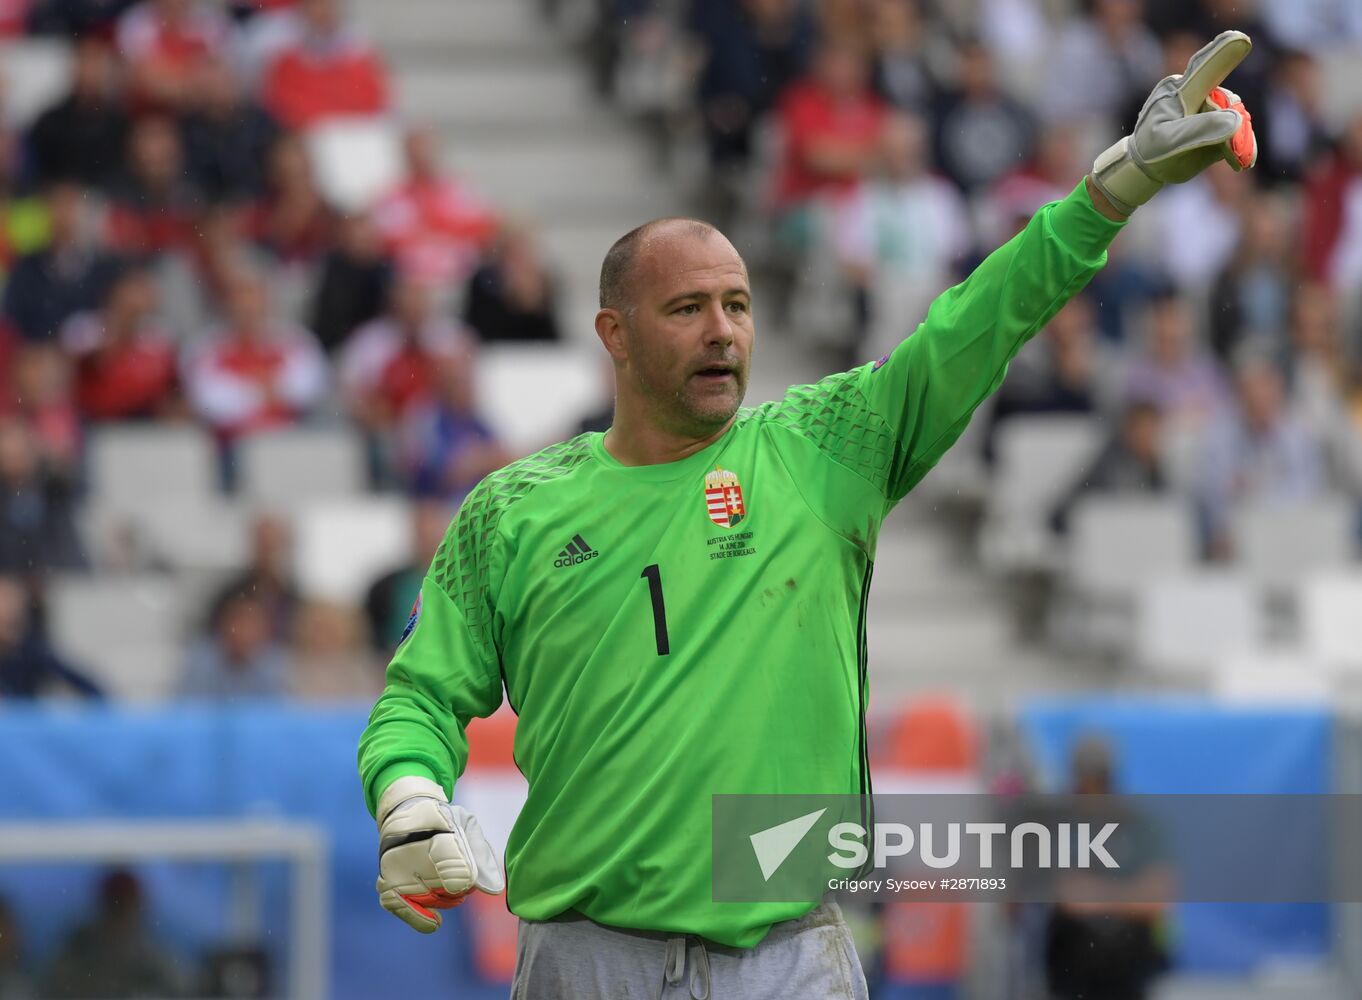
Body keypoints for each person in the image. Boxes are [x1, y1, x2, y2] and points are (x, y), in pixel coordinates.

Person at [357, 33, 1256, 999]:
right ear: (614, 333)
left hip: (789, 954)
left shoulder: (825, 447)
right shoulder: (512, 510)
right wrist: (410, 799)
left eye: (739, 306)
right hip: (583, 961)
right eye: (688, 308)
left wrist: (1115, 187)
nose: (723, 331)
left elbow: (977, 321)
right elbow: (418, 697)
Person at [41, 869, 184, 998]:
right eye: (116, 912)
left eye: (127, 911)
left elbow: (181, 989)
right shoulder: (76, 953)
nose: (121, 922)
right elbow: (49, 987)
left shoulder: (153, 959)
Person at [180, 585, 291, 699]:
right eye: (237, 619)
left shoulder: (275, 667)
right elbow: (191, 705)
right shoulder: (201, 663)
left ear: (264, 628)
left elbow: (279, 706)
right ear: (222, 624)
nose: (242, 630)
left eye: (250, 622)